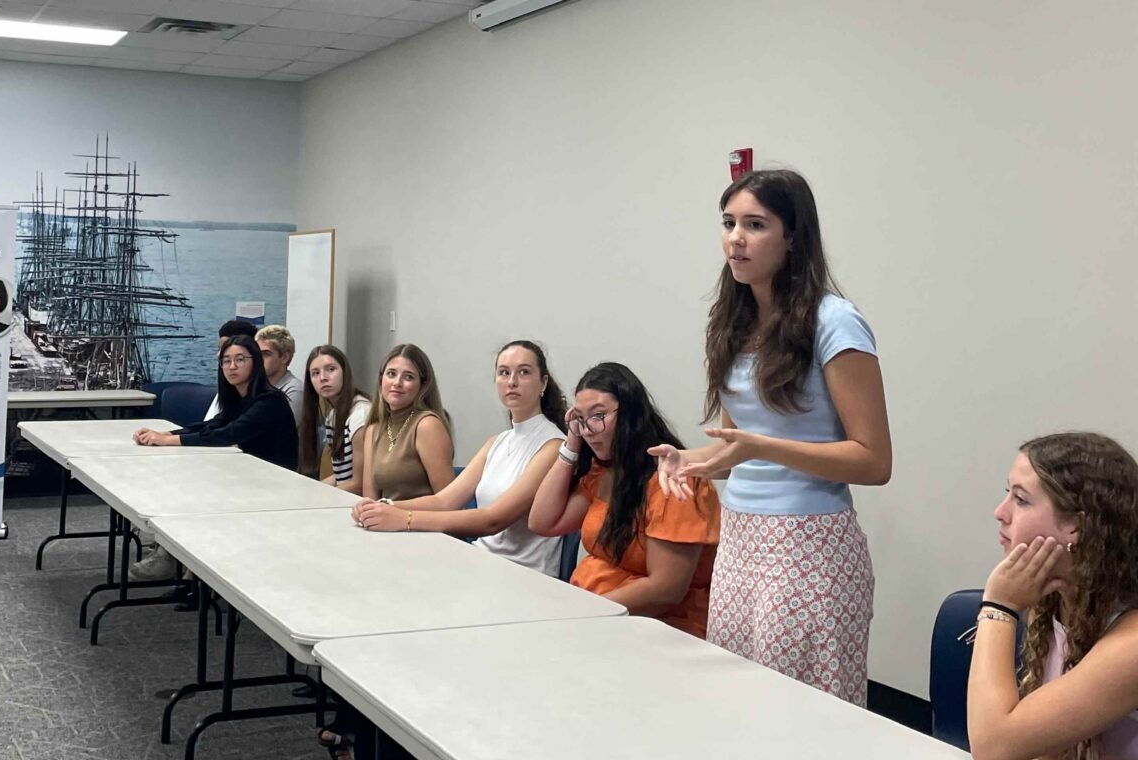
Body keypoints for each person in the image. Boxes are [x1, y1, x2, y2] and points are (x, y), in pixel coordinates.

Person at [650, 169, 891, 705]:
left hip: (809, 544)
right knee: (739, 704)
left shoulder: (835, 322)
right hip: (740, 538)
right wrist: (690, 461)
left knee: (800, 714)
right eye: (728, 223)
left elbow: (874, 461)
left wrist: (760, 447)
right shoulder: (734, 321)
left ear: (793, 238)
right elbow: (737, 446)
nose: (735, 238)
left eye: (755, 225)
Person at [968, 432, 1138, 760]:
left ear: (1076, 526)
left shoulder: (1132, 641)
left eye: (1021, 499)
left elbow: (992, 741)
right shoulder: (1059, 603)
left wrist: (999, 606)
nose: (1000, 512)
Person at [529, 362, 719, 637]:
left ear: (630, 414)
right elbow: (543, 522)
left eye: (598, 415)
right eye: (580, 418)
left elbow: (666, 590)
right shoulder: (606, 471)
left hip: (656, 628)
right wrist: (571, 444)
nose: (588, 429)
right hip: (597, 615)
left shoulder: (675, 480)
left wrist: (584, 613)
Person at [352, 340, 566, 576]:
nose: (512, 381)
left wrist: (405, 518)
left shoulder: (553, 445)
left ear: (543, 382)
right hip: (483, 560)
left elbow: (493, 520)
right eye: (504, 373)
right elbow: (444, 501)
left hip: (524, 574)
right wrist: (382, 507)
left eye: (523, 372)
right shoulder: (497, 442)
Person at [134, 334, 298, 469]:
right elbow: (212, 425)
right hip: (250, 470)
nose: (232, 366)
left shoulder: (270, 401)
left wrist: (166, 441)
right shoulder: (240, 398)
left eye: (240, 359)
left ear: (256, 363)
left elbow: (228, 434)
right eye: (226, 361)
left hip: (276, 479)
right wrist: (165, 434)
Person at [361, 343, 454, 501]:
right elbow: (370, 499)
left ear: (423, 386)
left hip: (422, 517)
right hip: (384, 515)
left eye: (408, 377)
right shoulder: (373, 430)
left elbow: (450, 502)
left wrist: (391, 510)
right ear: (381, 380)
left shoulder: (427, 425)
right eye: (391, 374)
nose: (397, 383)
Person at [299, 345, 371, 493]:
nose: (323, 378)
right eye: (315, 373)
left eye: (331, 369)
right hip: (344, 494)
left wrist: (316, 497)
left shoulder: (360, 414)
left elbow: (359, 484)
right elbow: (340, 477)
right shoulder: (333, 415)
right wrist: (309, 491)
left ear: (345, 372)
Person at [203, 320, 259, 421]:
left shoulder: (267, 401)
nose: (219, 355)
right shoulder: (230, 390)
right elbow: (213, 423)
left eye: (239, 359)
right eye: (220, 349)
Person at [255, 324, 305, 426]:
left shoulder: (294, 391)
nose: (259, 359)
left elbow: (277, 430)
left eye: (266, 354)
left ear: (284, 357)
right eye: (257, 354)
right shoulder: (257, 387)